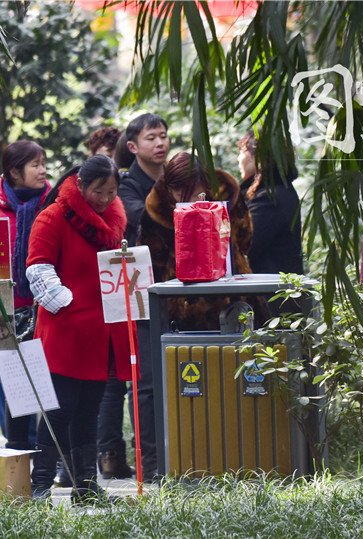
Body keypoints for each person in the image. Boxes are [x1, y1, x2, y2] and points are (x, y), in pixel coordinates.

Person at [25, 154, 133, 502]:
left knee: (89, 412)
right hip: (65, 330)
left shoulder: (115, 222)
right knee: (58, 411)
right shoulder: (53, 217)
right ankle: (40, 483)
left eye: (111, 192)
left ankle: (85, 485)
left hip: (101, 333)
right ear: (81, 184)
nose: (104, 199)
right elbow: (38, 268)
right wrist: (68, 303)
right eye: (98, 191)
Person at [0, 140, 50, 449]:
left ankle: (48, 456)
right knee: (14, 392)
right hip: (4, 312)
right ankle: (19, 454)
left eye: (44, 163)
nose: (43, 170)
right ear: (15, 172)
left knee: (48, 390)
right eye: (35, 165)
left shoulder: (52, 204)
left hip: (45, 308)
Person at [138, 151, 254, 329]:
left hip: (234, 295)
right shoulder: (156, 210)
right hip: (181, 303)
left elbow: (245, 239)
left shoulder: (227, 193)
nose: (191, 200)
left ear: (206, 186)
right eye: (181, 194)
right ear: (169, 189)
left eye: (197, 193)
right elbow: (152, 264)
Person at [117, 113, 170, 481]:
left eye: (164, 135)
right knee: (147, 381)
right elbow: (145, 221)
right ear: (133, 146)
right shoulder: (127, 187)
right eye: (152, 137)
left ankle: (182, 452)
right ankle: (149, 461)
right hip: (142, 290)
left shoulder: (176, 179)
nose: (160, 143)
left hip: (182, 292)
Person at [237, 130, 304, 275]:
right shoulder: (279, 191)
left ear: (258, 157)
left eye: (242, 152)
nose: (239, 158)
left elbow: (243, 244)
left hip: (272, 287)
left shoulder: (270, 198)